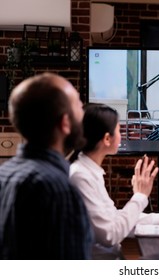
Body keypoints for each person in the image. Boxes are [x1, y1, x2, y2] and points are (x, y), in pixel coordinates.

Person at [69, 103, 159, 259]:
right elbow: (111, 234)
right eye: (118, 130)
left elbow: (113, 218)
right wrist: (140, 196)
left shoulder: (88, 171)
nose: (121, 135)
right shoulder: (80, 176)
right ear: (107, 139)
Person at [0, 73, 93, 259]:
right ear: (65, 123)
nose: (83, 112)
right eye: (78, 105)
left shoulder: (4, 173)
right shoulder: (57, 189)